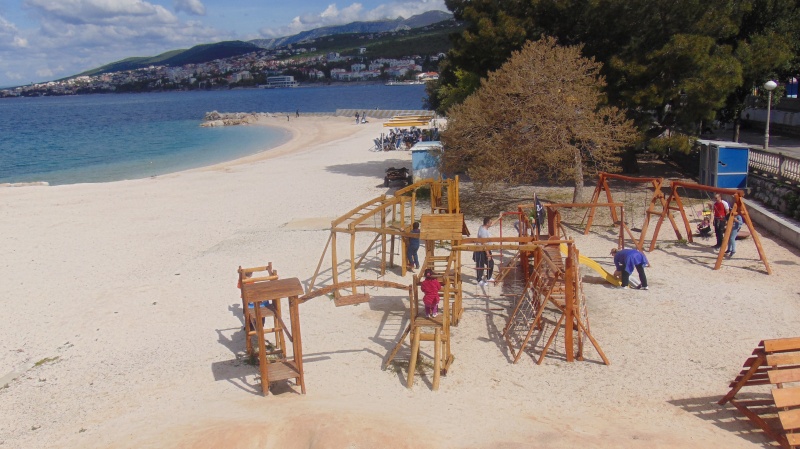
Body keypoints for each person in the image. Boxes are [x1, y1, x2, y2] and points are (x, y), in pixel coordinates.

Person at [473, 216, 497, 286]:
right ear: (487, 224)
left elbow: (492, 224)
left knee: (491, 264)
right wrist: (488, 254)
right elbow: (484, 243)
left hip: (486, 249)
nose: (491, 224)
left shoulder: (484, 226)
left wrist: (499, 217)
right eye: (490, 223)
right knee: (480, 265)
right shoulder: (483, 231)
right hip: (481, 250)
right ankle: (479, 280)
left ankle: (488, 277)